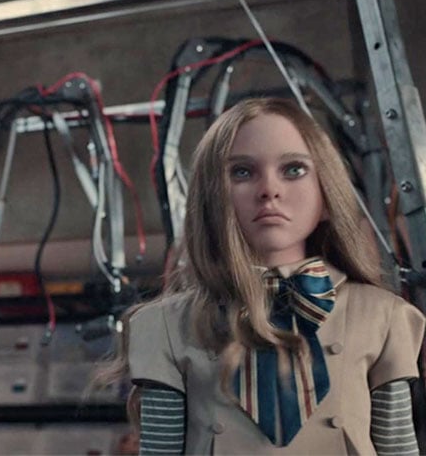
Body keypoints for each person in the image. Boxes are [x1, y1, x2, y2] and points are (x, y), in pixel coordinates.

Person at [120, 97, 425, 454]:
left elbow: (398, 448)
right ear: (210, 198)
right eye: (242, 172)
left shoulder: (381, 316)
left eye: (294, 169)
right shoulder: (164, 326)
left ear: (327, 194)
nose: (269, 190)